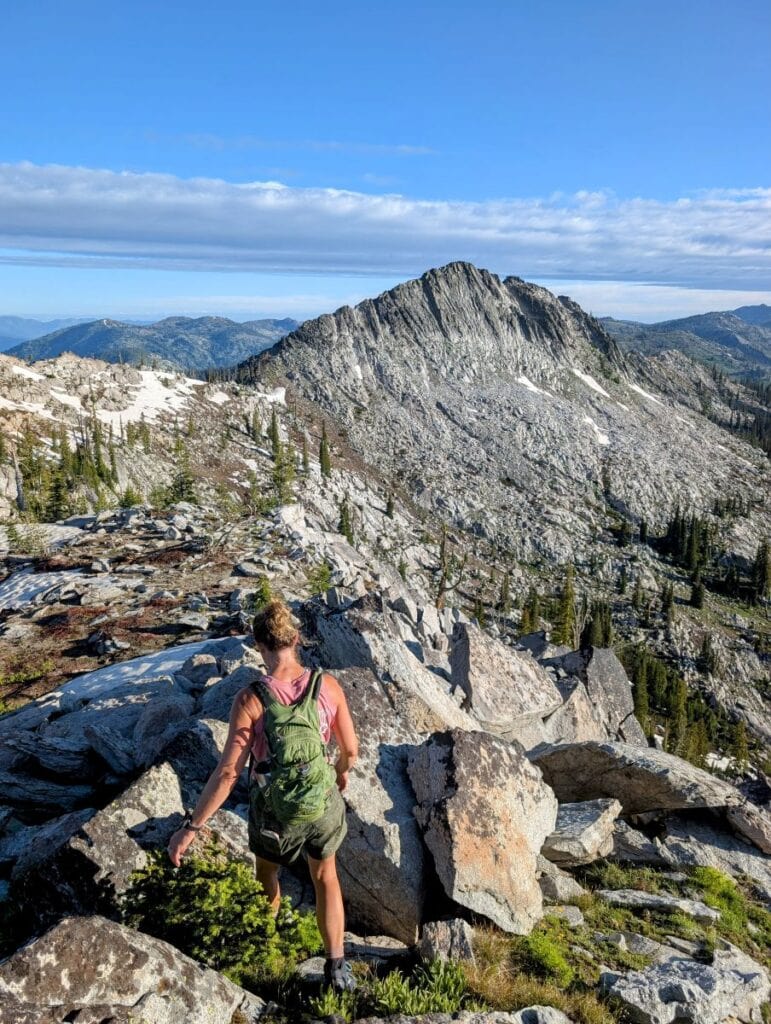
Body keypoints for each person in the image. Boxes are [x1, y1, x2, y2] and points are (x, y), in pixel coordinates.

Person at [167, 598, 359, 992]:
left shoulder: (251, 699)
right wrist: (338, 775)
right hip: (322, 804)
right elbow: (351, 752)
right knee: (326, 876)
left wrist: (192, 827)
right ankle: (337, 968)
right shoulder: (329, 686)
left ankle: (262, 944)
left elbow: (227, 773)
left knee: (266, 874)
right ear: (297, 639)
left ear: (259, 645)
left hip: (274, 814)